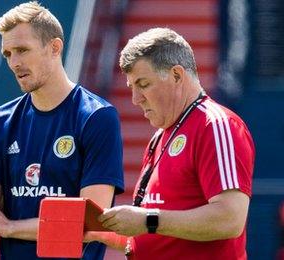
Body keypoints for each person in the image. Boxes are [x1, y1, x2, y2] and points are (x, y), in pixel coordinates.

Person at [0, 1, 125, 259]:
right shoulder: (0, 121)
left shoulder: (96, 117)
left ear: (55, 48)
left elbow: (90, 220)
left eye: (22, 50)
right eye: (8, 54)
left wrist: (9, 227)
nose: (14, 63)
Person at [87, 28, 255, 260]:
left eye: (143, 84)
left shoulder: (216, 124)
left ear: (177, 75)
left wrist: (148, 220)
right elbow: (160, 234)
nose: (135, 99)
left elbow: (230, 219)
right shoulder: (161, 137)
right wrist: (100, 232)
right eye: (131, 88)